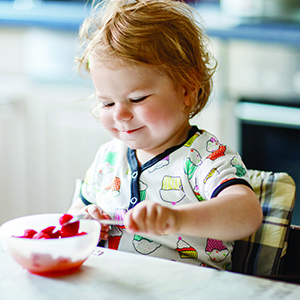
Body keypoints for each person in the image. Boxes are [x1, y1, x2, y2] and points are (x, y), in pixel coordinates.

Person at [68, 0, 263, 269]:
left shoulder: (205, 158)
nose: (119, 114)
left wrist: (176, 218)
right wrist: (85, 218)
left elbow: (246, 213)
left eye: (136, 99)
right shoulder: (108, 158)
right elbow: (76, 212)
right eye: (107, 104)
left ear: (186, 91)